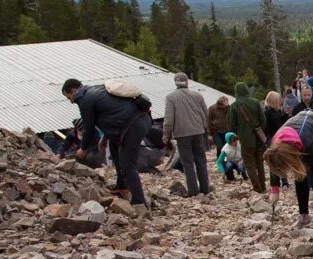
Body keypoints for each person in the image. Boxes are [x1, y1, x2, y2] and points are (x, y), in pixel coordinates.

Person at [62, 78, 151, 208]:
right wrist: (105, 138)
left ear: (73, 90)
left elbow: (89, 128)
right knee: (114, 149)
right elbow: (111, 115)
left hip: (133, 126)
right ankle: (122, 185)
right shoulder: (97, 89)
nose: (70, 101)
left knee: (128, 164)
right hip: (140, 120)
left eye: (68, 97)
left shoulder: (84, 99)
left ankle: (139, 202)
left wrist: (83, 149)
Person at [264, 110, 313, 232]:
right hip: (303, 132)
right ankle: (304, 216)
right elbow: (274, 165)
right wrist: (275, 190)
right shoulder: (275, 145)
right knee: (300, 177)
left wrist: (311, 174)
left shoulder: (307, 142)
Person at [163, 72, 211, 198]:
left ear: (175, 83)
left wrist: (166, 134)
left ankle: (193, 191)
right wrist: (206, 129)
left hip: (182, 134)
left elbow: (169, 119)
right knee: (201, 160)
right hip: (198, 132)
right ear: (187, 82)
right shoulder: (198, 95)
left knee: (188, 163)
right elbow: (205, 113)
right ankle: (205, 189)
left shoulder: (171, 97)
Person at [228, 81, 268, 193]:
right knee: (259, 162)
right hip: (258, 137)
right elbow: (263, 120)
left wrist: (239, 134)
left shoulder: (234, 106)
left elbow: (231, 125)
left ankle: (257, 187)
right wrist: (260, 130)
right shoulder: (255, 102)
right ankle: (263, 185)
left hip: (245, 139)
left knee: (249, 164)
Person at [263, 92, 290, 208]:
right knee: (274, 163)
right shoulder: (267, 111)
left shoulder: (276, 111)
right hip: (272, 139)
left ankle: (284, 181)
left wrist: (285, 116)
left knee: (282, 160)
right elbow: (270, 126)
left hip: (279, 138)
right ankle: (275, 185)